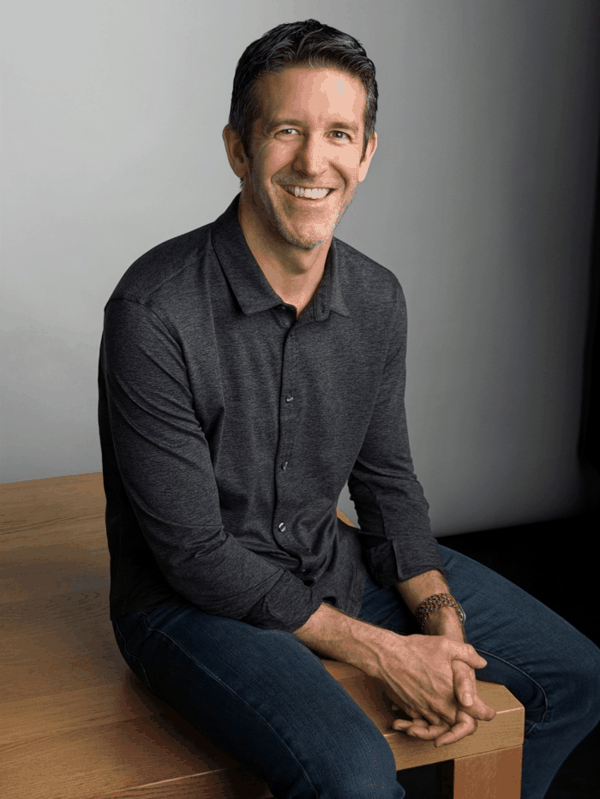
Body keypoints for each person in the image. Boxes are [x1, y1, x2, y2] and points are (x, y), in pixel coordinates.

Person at [98, 19, 600, 799]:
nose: (313, 161)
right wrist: (383, 651)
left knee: (575, 674)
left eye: (339, 133)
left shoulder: (377, 298)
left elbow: (388, 483)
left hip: (325, 562)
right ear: (238, 149)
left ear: (365, 154)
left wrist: (442, 625)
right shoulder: (153, 310)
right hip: (186, 604)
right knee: (354, 774)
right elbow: (194, 553)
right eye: (286, 131)